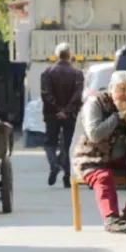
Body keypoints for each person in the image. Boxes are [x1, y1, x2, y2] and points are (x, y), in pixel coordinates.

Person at [72, 70, 126, 233]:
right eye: (121, 89)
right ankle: (111, 219)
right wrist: (117, 117)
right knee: (103, 177)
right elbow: (95, 135)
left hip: (122, 157)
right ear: (111, 88)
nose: (125, 94)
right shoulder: (95, 103)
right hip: (92, 158)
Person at [40, 42, 84, 188]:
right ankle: (67, 175)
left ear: (57, 55)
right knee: (68, 144)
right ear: (69, 55)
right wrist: (66, 111)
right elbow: (77, 95)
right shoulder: (77, 74)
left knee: (50, 143)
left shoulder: (47, 73)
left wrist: (57, 110)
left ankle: (54, 164)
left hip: (52, 115)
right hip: (70, 115)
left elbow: (46, 94)